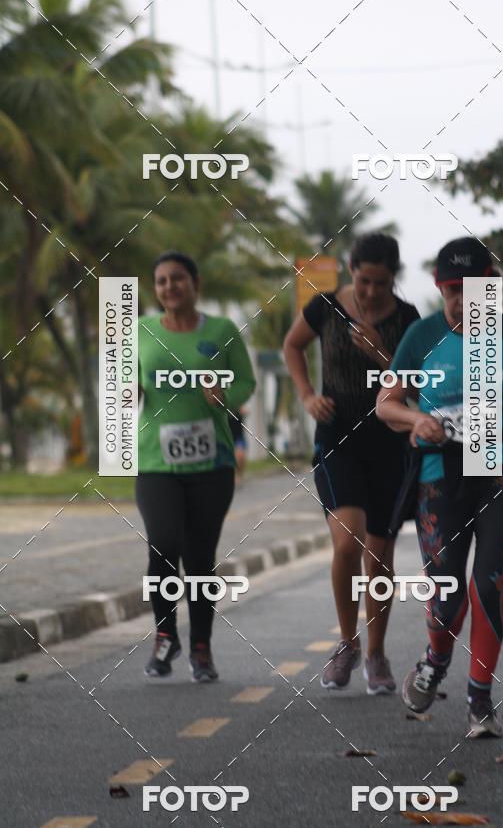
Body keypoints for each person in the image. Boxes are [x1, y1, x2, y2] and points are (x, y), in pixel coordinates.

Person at [376, 237, 503, 736]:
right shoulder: (421, 336)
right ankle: (435, 657)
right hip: (439, 473)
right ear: (438, 287)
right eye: (452, 289)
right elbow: (386, 403)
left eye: (474, 288)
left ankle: (480, 699)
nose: (463, 299)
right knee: (448, 593)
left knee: (490, 582)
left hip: (500, 463)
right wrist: (415, 420)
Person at [283, 232, 419, 694]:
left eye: (380, 284)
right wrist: (306, 395)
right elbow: (292, 346)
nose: (370, 292)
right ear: (351, 270)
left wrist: (382, 353)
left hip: (390, 442)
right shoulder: (325, 308)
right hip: (338, 434)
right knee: (347, 542)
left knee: (379, 554)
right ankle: (347, 642)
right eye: (363, 281)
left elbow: (418, 385)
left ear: (393, 279)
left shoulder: (408, 319)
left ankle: (376, 653)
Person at [137, 251, 256, 681]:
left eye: (178, 279)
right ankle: (165, 636)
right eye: (162, 281)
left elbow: (246, 379)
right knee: (163, 544)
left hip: (212, 462)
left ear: (195, 283)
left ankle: (201, 649)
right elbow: (122, 385)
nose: (170, 287)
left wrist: (223, 391)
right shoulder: (139, 331)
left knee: (200, 557)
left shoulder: (222, 331)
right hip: (155, 460)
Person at [228, 406, 249, 485]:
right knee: (232, 458)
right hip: (228, 436)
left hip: (238, 437)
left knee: (240, 456)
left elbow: (245, 411)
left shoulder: (238, 405)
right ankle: (234, 475)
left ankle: (239, 474)